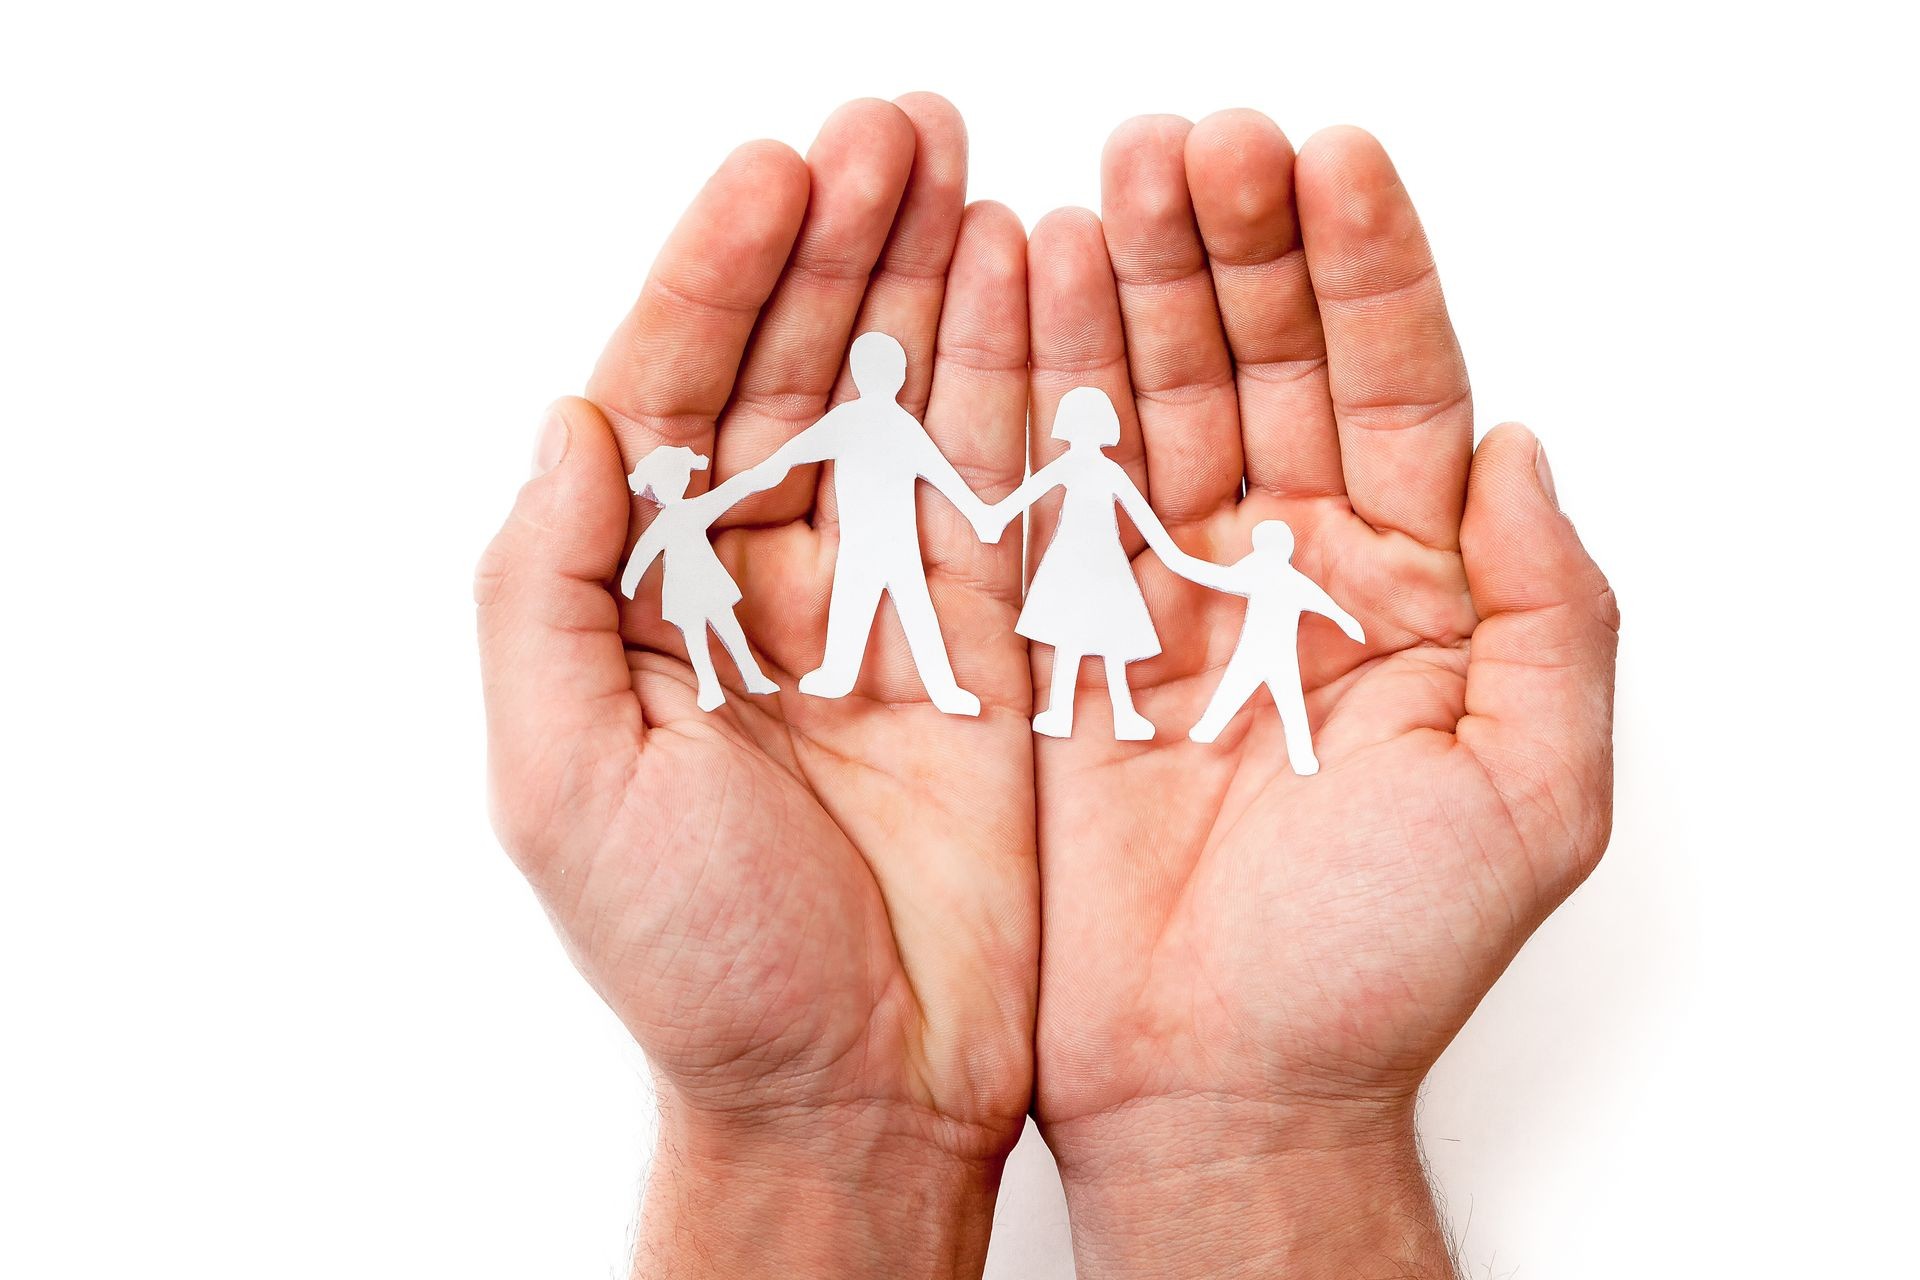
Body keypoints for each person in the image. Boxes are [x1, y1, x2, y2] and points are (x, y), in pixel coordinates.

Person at [476, 97, 1619, 1279]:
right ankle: (1017, 689)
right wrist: (804, 1126)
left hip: (991, 571)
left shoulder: (1030, 467)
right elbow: (855, 473)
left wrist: (1265, 1129)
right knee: (900, 612)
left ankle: (1095, 701)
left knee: (920, 613)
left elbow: (1008, 506)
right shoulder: (907, 440)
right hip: (925, 563)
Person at [741, 331, 994, 715]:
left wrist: (979, 514)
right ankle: (852, 676)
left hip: (886, 544)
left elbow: (942, 474)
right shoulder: (871, 422)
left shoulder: (884, 424)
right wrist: (978, 515)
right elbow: (792, 454)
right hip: (877, 545)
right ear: (896, 375)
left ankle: (934, 688)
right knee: (888, 607)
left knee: (893, 607)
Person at [980, 385, 1191, 740]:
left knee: (1080, 638)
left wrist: (994, 518)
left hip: (1088, 559)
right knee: (1095, 640)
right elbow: (1028, 495)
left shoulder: (1091, 468)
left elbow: (1024, 497)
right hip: (1088, 558)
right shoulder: (1099, 469)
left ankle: (1099, 715)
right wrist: (1174, 556)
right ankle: (1107, 715)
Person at [1182, 519, 1365, 773]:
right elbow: (1330, 608)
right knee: (1280, 703)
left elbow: (1216, 575)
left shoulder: (1261, 574)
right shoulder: (1282, 578)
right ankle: (1299, 757)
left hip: (1263, 654)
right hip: (1273, 655)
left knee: (1253, 695)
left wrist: (1180, 561)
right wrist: (1347, 622)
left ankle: (1210, 730)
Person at [618, 445, 779, 711]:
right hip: (683, 589)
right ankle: (711, 688)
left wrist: (749, 480)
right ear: (653, 488)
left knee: (730, 630)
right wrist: (629, 582)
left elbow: (725, 495)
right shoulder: (666, 521)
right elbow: (644, 550)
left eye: (675, 477)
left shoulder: (694, 509)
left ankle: (752, 677)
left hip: (707, 581)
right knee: (696, 637)